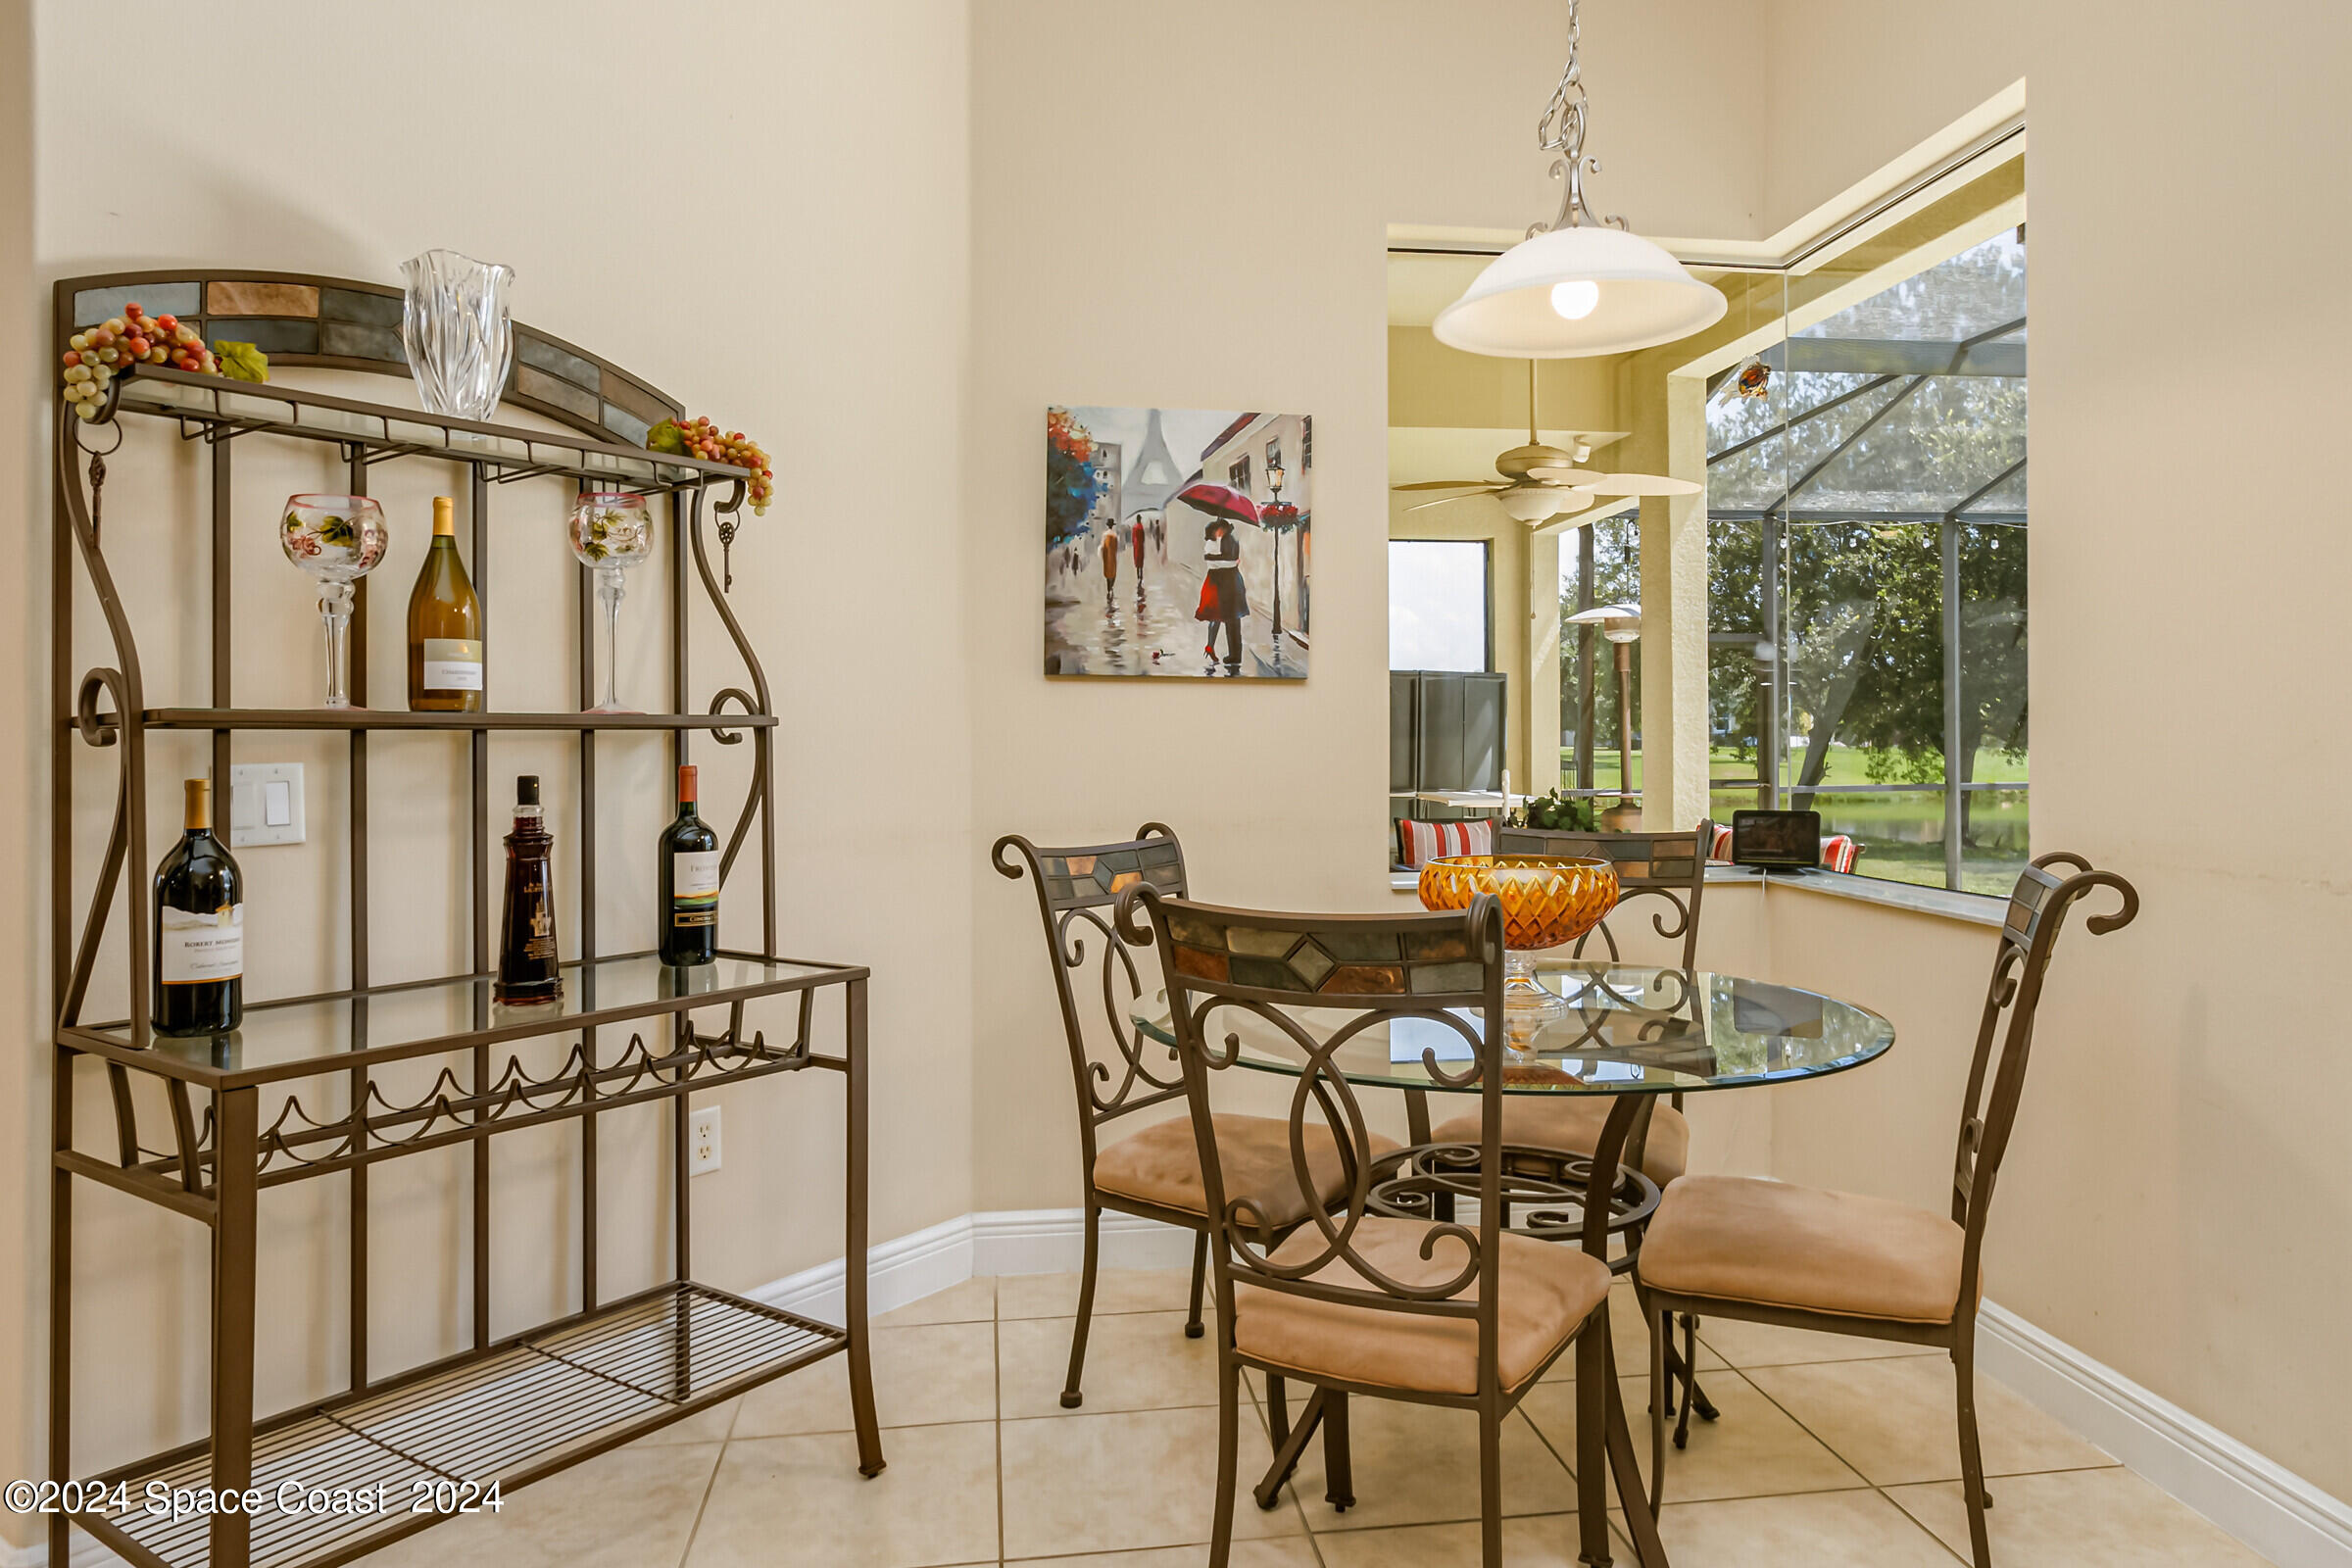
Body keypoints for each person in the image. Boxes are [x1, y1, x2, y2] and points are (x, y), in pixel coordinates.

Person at [1195, 517, 1248, 672]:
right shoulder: (1226, 539)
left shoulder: (1228, 540)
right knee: (1231, 621)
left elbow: (1227, 562)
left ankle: (1234, 655)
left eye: (1218, 530)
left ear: (1222, 529)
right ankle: (1234, 655)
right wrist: (1216, 560)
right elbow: (1227, 562)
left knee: (1231, 620)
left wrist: (1211, 557)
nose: (1217, 533)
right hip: (1230, 583)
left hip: (1230, 584)